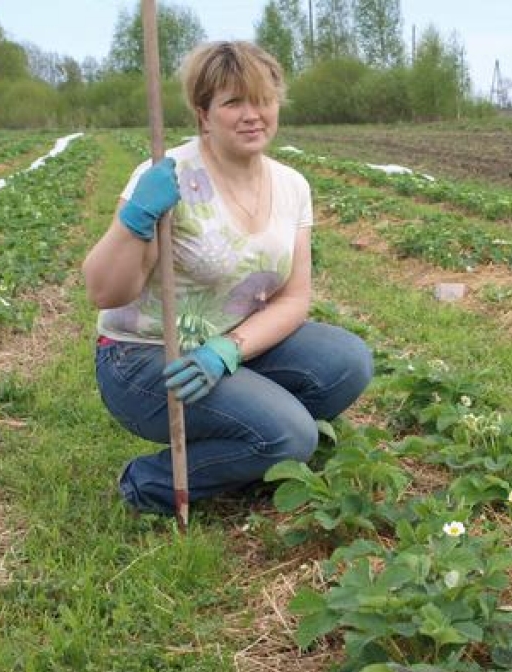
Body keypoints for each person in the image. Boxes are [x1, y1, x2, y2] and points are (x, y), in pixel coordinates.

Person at [82, 41, 373, 515]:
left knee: (347, 361)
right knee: (293, 435)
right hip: (148, 357)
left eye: (263, 99)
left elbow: (294, 299)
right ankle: (149, 482)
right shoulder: (166, 176)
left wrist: (227, 350)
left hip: (225, 345)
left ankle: (252, 453)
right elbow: (104, 291)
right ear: (203, 113)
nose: (252, 114)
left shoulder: (292, 185)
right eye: (233, 102)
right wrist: (136, 217)